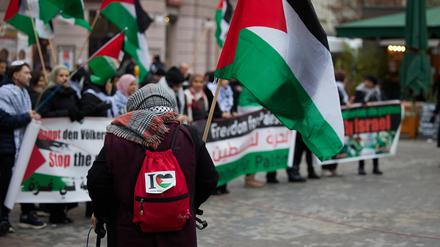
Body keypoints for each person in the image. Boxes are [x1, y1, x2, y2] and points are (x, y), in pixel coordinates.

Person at [87, 83, 218, 247]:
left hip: (128, 233)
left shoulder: (117, 137)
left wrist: (102, 213)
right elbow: (209, 178)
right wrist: (188, 205)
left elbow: (96, 181)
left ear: (134, 109)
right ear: (170, 105)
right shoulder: (188, 135)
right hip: (179, 233)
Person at [0, 61, 46, 236]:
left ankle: (9, 217)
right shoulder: (4, 93)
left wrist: (31, 116)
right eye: (25, 73)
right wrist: (27, 117)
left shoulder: (24, 93)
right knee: (4, 186)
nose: (29, 76)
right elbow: (4, 121)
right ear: (15, 75)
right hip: (6, 147)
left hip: (17, 147)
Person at [37, 65, 83, 225]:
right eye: (61, 75)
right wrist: (64, 115)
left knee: (69, 175)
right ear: (54, 77)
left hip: (71, 142)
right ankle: (55, 213)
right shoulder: (49, 94)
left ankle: (64, 210)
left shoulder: (72, 94)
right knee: (56, 176)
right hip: (53, 144)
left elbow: (78, 111)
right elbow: (43, 114)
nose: (65, 78)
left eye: (66, 75)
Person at [354, 75, 383, 175]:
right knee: (362, 143)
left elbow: (382, 102)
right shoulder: (359, 90)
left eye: (368, 81)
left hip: (374, 121)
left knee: (376, 143)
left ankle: (376, 167)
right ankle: (361, 167)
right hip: (362, 121)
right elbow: (356, 103)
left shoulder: (377, 92)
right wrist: (364, 103)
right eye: (365, 80)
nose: (366, 83)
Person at [321, 71, 348, 177]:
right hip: (332, 121)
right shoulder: (337, 88)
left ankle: (330, 167)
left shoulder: (336, 87)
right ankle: (328, 167)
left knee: (333, 144)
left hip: (332, 121)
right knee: (333, 143)